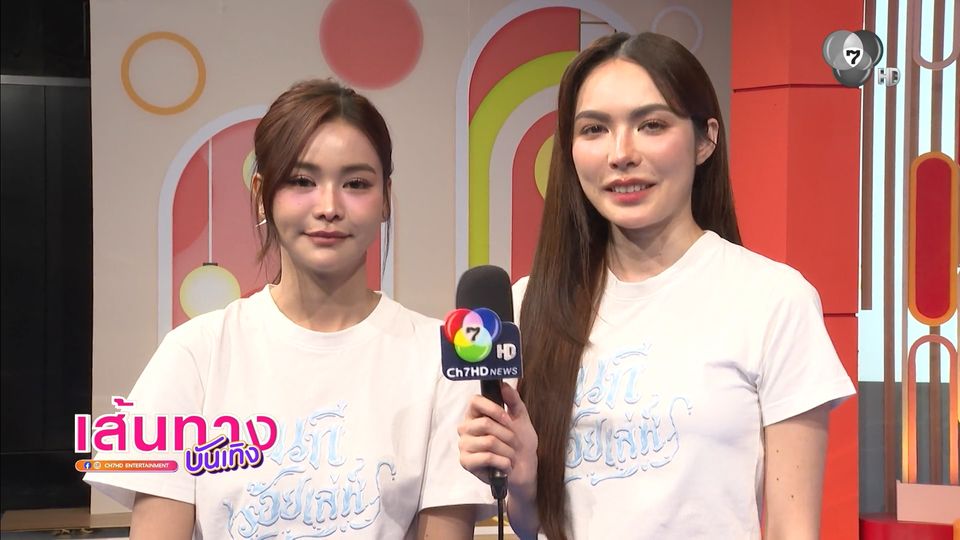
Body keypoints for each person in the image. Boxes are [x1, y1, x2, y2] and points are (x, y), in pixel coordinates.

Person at [457, 32, 855, 540]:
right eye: (594, 129)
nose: (621, 154)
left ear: (705, 139)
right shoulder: (529, 304)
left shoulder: (773, 299)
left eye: (651, 125)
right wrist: (522, 479)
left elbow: (791, 528)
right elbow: (534, 525)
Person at [86, 79, 491, 539]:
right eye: (302, 181)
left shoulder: (441, 359)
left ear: (384, 198)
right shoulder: (195, 355)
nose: (329, 206)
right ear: (262, 192)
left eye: (356, 183)